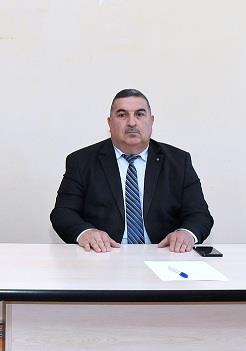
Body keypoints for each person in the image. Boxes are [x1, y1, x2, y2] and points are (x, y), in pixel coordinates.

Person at [51, 89, 213, 253]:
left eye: (140, 114)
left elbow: (200, 215)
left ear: (151, 121)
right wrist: (85, 232)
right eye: (122, 115)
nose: (132, 123)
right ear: (109, 123)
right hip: (103, 254)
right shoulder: (81, 161)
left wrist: (186, 233)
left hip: (163, 254)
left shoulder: (178, 161)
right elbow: (63, 213)